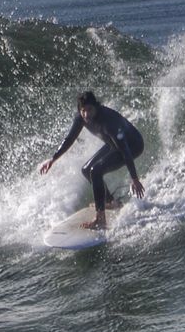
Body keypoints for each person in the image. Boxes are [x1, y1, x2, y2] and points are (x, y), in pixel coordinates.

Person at [39, 91, 145, 231]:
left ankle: (101, 220)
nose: (86, 114)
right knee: (86, 170)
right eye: (83, 110)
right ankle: (111, 202)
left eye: (89, 109)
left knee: (96, 171)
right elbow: (69, 139)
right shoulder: (81, 118)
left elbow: (125, 150)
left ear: (97, 107)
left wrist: (135, 178)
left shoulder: (108, 121)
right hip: (113, 144)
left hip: (132, 145)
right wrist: (53, 159)